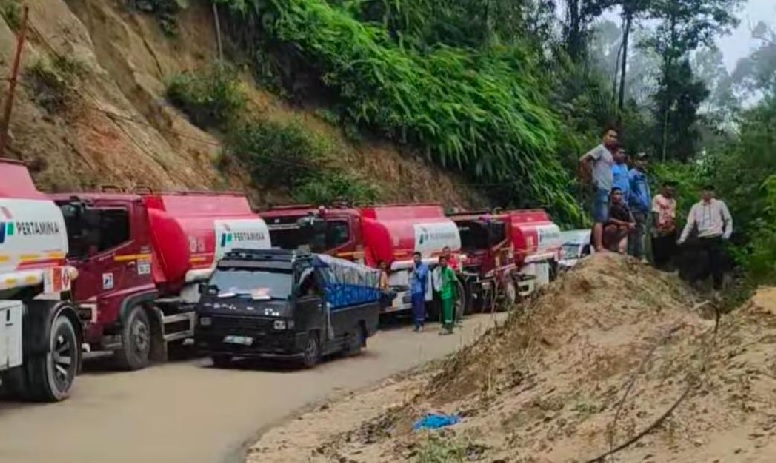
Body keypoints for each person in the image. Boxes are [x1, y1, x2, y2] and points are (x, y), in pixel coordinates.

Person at [677, 185, 733, 298]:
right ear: (700, 193)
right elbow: (689, 224)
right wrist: (682, 238)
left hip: (716, 236)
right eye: (705, 191)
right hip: (702, 237)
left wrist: (727, 234)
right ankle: (689, 279)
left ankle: (717, 290)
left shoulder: (719, 205)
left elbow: (728, 220)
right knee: (694, 255)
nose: (707, 193)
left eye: (710, 191)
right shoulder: (696, 207)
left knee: (716, 263)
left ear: (713, 193)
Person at [579, 126, 617, 252]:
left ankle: (598, 245)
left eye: (615, 137)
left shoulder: (609, 154)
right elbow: (583, 160)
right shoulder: (600, 149)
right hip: (600, 187)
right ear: (604, 137)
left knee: (602, 217)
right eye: (610, 136)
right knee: (599, 218)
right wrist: (590, 178)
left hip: (606, 188)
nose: (613, 139)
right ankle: (599, 246)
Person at [627, 152, 651, 261]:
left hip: (644, 209)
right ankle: (636, 256)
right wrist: (639, 202)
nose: (643, 163)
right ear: (635, 161)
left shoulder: (644, 175)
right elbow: (629, 191)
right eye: (641, 160)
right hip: (635, 208)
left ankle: (639, 255)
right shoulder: (632, 174)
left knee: (642, 232)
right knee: (636, 233)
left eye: (645, 160)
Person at [651, 181, 678, 270]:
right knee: (658, 243)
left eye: (673, 187)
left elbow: (673, 215)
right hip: (658, 224)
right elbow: (655, 212)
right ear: (664, 188)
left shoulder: (673, 201)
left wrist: (671, 225)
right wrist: (658, 226)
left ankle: (668, 263)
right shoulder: (658, 198)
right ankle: (658, 264)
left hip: (668, 224)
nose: (671, 189)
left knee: (670, 243)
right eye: (669, 186)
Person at [603, 187, 635, 253]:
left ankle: (621, 249)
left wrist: (631, 223)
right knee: (612, 227)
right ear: (611, 195)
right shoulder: (607, 205)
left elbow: (632, 219)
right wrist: (623, 223)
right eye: (616, 194)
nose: (619, 196)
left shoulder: (624, 206)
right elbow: (609, 219)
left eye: (620, 194)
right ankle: (609, 247)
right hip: (609, 228)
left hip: (623, 228)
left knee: (628, 228)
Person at [435, 255, 457, 335]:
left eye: (444, 261)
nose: (443, 263)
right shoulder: (439, 270)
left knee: (448, 311)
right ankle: (445, 327)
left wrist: (455, 295)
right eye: (441, 261)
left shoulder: (449, 270)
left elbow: (455, 282)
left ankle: (449, 328)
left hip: (449, 293)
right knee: (443, 311)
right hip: (442, 293)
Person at [410, 252, 429, 332]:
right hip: (414, 290)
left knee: (420, 307)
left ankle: (421, 325)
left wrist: (415, 270)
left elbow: (420, 276)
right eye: (414, 258)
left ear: (420, 258)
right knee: (414, 308)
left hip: (420, 290)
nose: (415, 259)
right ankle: (416, 325)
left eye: (417, 257)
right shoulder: (414, 266)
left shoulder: (424, 266)